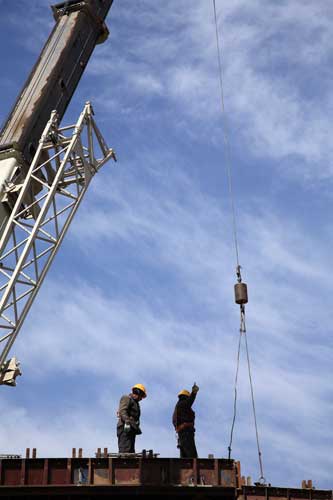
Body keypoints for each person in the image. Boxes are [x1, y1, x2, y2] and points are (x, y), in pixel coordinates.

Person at [117, 383, 147, 453]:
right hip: (125, 428)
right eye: (141, 396)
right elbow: (123, 411)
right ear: (137, 392)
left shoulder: (136, 403)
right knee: (125, 450)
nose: (141, 399)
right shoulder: (127, 398)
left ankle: (128, 463)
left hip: (131, 429)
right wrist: (127, 422)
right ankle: (124, 463)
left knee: (130, 451)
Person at [172, 383, 199, 458]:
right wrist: (194, 392)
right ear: (185, 397)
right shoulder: (183, 404)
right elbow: (190, 401)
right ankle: (193, 468)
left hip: (182, 433)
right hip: (186, 433)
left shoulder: (178, 408)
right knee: (191, 455)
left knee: (184, 455)